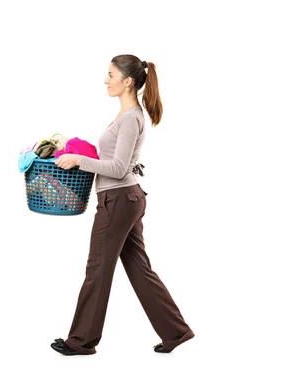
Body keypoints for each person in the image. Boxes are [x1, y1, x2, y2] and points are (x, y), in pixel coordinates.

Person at [51, 54, 194, 355]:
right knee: (139, 268)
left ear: (127, 81)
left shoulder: (130, 118)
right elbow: (117, 162)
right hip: (125, 199)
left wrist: (79, 160)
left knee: (98, 268)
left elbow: (117, 168)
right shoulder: (126, 115)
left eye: (110, 74)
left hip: (118, 200)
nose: (105, 80)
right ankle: (176, 331)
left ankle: (81, 341)